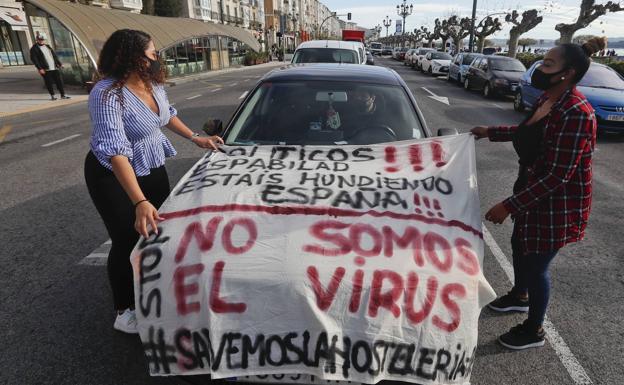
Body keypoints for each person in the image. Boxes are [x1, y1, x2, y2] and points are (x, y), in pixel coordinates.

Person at [84, 29, 223, 334]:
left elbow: (167, 116)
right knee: (125, 238)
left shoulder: (151, 84)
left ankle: (150, 287)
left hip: (150, 164)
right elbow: (116, 152)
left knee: (158, 230)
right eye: (153, 54)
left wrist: (196, 138)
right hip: (112, 173)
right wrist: (139, 201)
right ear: (133, 57)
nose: (158, 59)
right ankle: (124, 310)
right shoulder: (107, 93)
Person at [471, 37, 603, 350]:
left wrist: (508, 205)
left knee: (537, 265)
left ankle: (534, 329)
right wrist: (490, 132)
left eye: (547, 64)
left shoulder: (577, 113)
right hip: (531, 191)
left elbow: (559, 176)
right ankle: (520, 295)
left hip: (557, 204)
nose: (539, 69)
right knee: (520, 245)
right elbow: (527, 133)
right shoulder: (547, 99)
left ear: (567, 73)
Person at [29, 35, 69, 101]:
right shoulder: (34, 48)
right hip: (45, 69)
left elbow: (54, 56)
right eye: (40, 39)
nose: (41, 41)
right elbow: (34, 60)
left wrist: (59, 64)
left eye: (43, 39)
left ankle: (63, 95)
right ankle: (52, 96)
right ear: (37, 40)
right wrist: (40, 68)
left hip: (54, 67)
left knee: (59, 82)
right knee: (49, 83)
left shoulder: (47, 46)